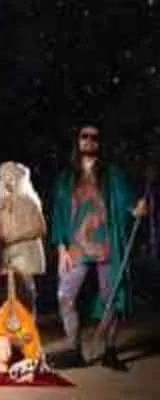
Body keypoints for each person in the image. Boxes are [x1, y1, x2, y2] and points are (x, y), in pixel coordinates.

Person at [50, 124, 146, 371]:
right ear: (77, 140)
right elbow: (59, 214)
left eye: (94, 137)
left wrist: (137, 209)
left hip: (107, 245)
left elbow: (129, 205)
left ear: (100, 142)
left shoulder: (112, 174)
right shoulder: (66, 178)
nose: (89, 140)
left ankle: (110, 351)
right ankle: (74, 350)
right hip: (76, 247)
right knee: (65, 296)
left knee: (111, 297)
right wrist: (60, 248)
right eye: (84, 136)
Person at [0, 161, 46, 316]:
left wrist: (14, 237)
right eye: (5, 178)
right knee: (6, 295)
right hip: (6, 256)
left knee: (25, 293)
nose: (8, 182)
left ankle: (29, 325)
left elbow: (40, 228)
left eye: (12, 177)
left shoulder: (29, 202)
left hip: (25, 255)